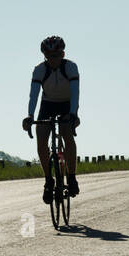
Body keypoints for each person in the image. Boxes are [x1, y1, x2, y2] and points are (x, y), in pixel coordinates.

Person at [22, 35, 80, 203]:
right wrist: (30, 116)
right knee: (41, 138)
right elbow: (33, 95)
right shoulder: (40, 69)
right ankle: (48, 180)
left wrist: (73, 114)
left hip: (66, 105)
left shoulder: (70, 67)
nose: (52, 60)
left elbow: (75, 92)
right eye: (48, 57)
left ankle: (72, 177)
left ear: (62, 55)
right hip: (47, 104)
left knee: (66, 134)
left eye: (55, 56)